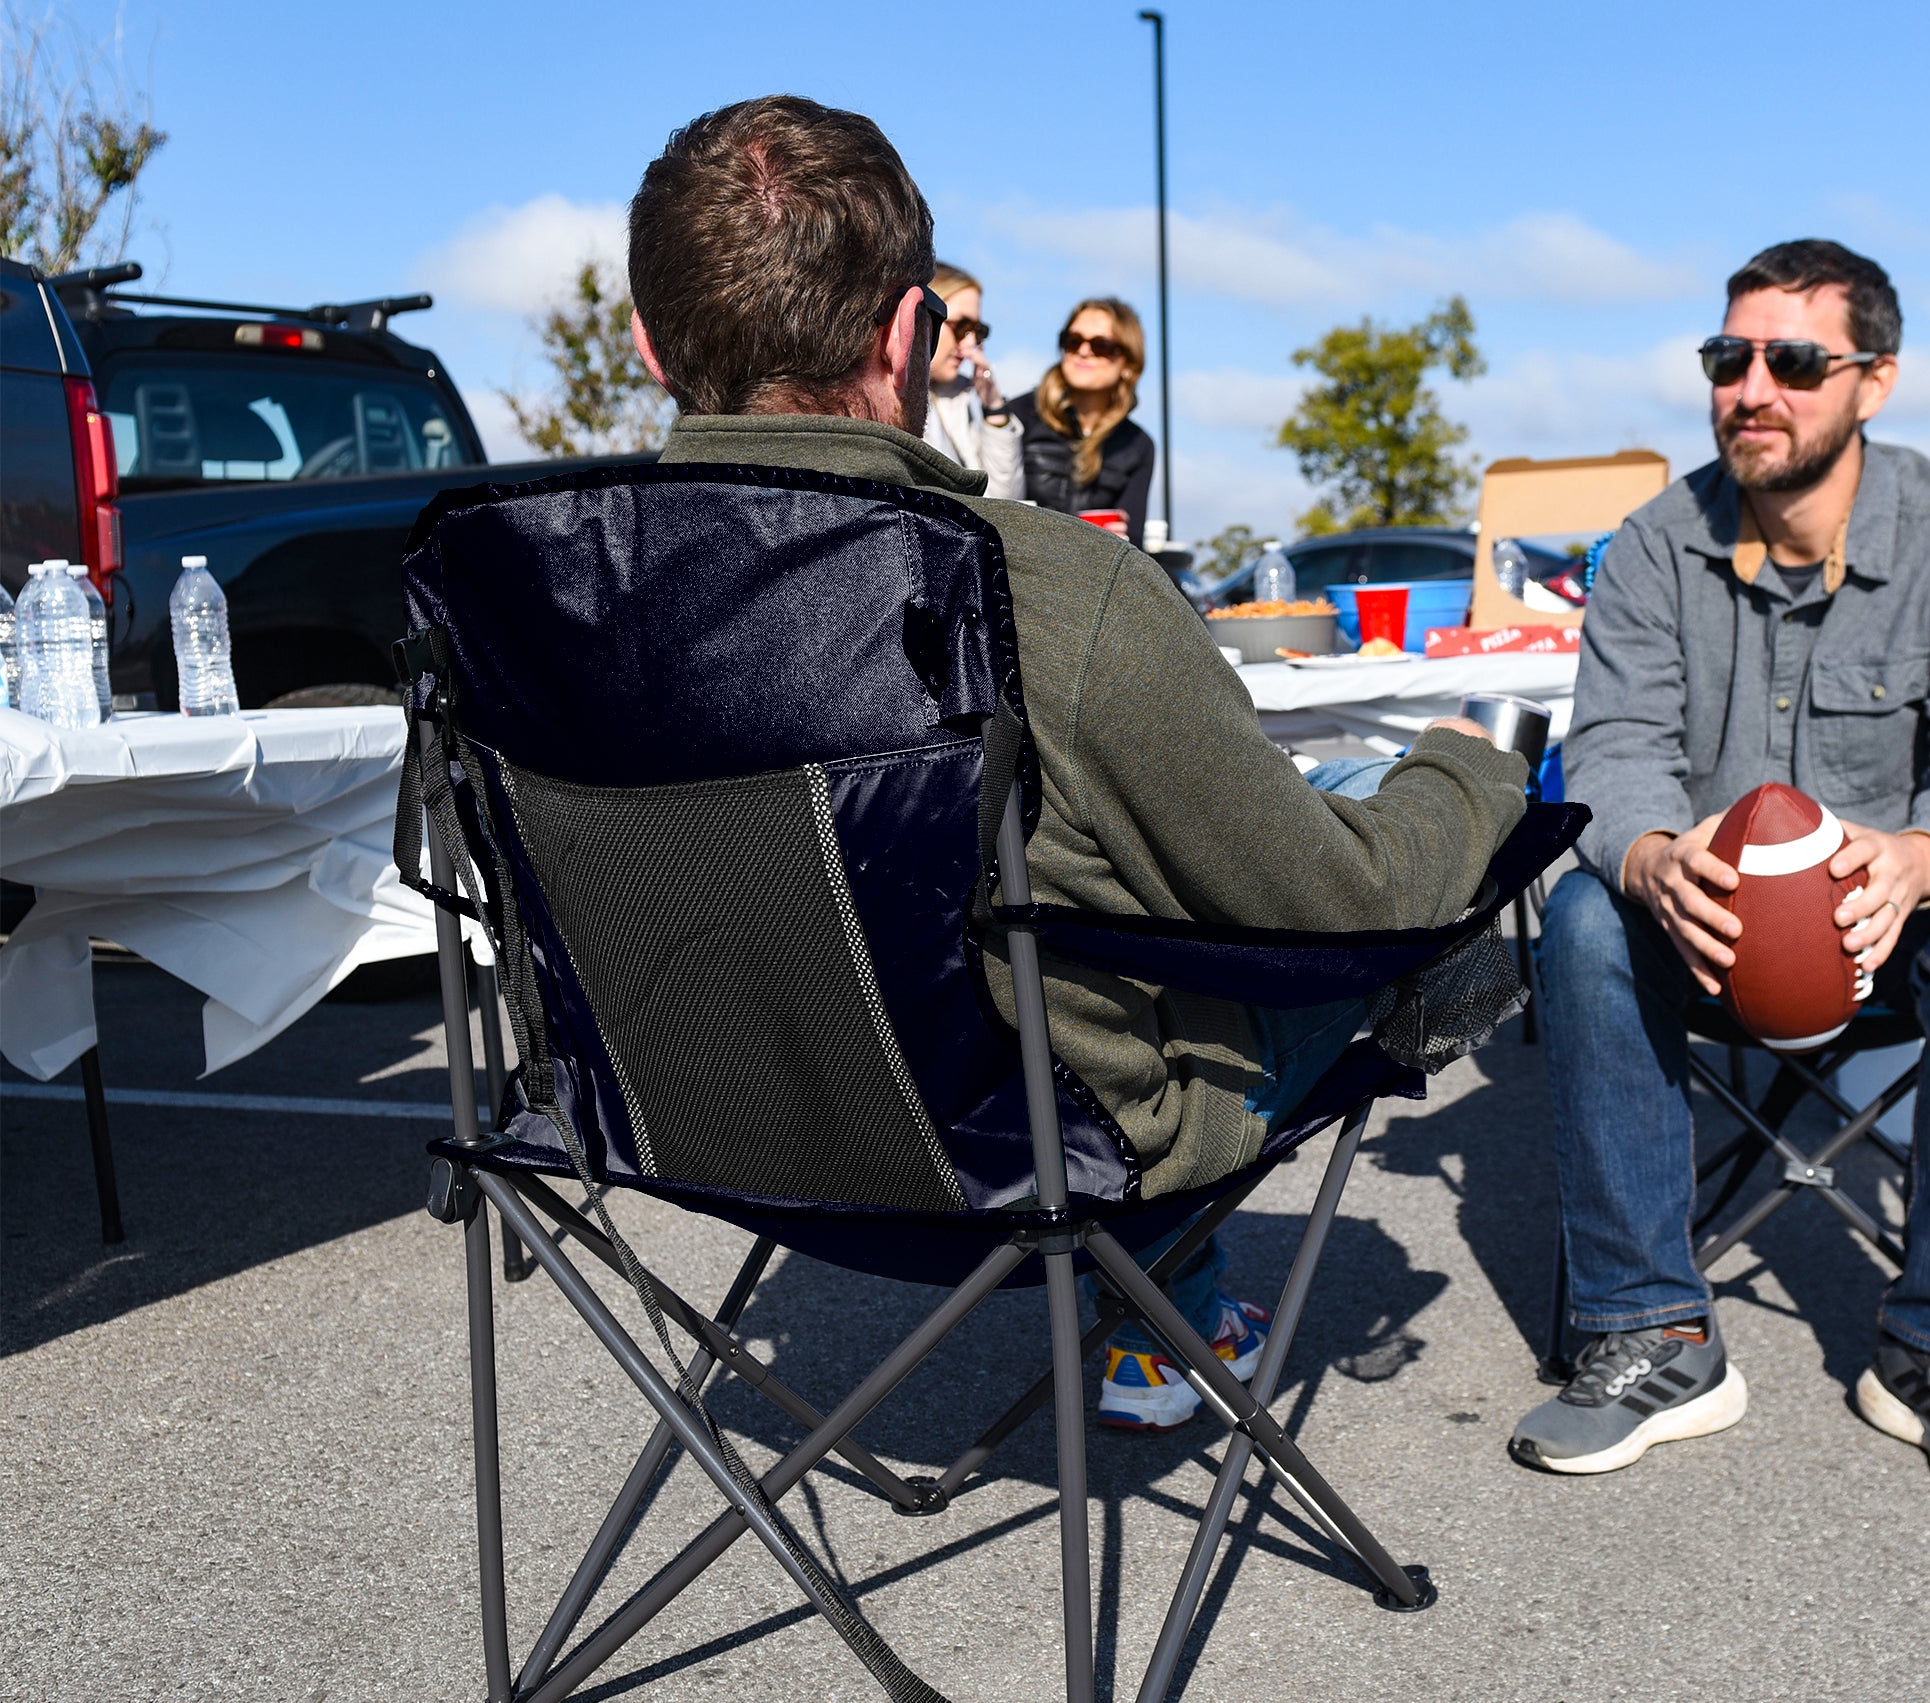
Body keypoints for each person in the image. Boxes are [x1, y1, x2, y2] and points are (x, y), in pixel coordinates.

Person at [625, 96, 1528, 1429]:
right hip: (1027, 1155)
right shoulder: (1043, 588)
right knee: (1405, 857)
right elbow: (1332, 905)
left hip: (696, 1126)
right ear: (907, 335)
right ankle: (1170, 1309)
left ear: (648, 344)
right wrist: (1470, 778)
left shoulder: (553, 600)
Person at [1514, 239, 1930, 1493]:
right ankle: (1650, 1331)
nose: (1750, 388)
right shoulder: (1652, 543)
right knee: (1581, 913)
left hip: (1889, 932)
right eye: (1728, 358)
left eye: (1791, 360)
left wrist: (1923, 855)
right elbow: (1610, 745)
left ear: (1872, 381)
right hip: (1704, 932)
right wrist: (1652, 852)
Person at [1008, 298, 1154, 538]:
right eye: (1073, 341)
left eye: (1101, 346)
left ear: (1128, 364)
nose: (1083, 352)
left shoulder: (1138, 445)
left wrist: (1120, 540)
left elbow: (1135, 544)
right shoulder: (1020, 415)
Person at [921, 262, 1024, 498]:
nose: (970, 344)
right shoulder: (883, 392)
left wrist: (994, 408)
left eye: (977, 332)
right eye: (961, 327)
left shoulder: (963, 398)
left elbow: (1005, 503)